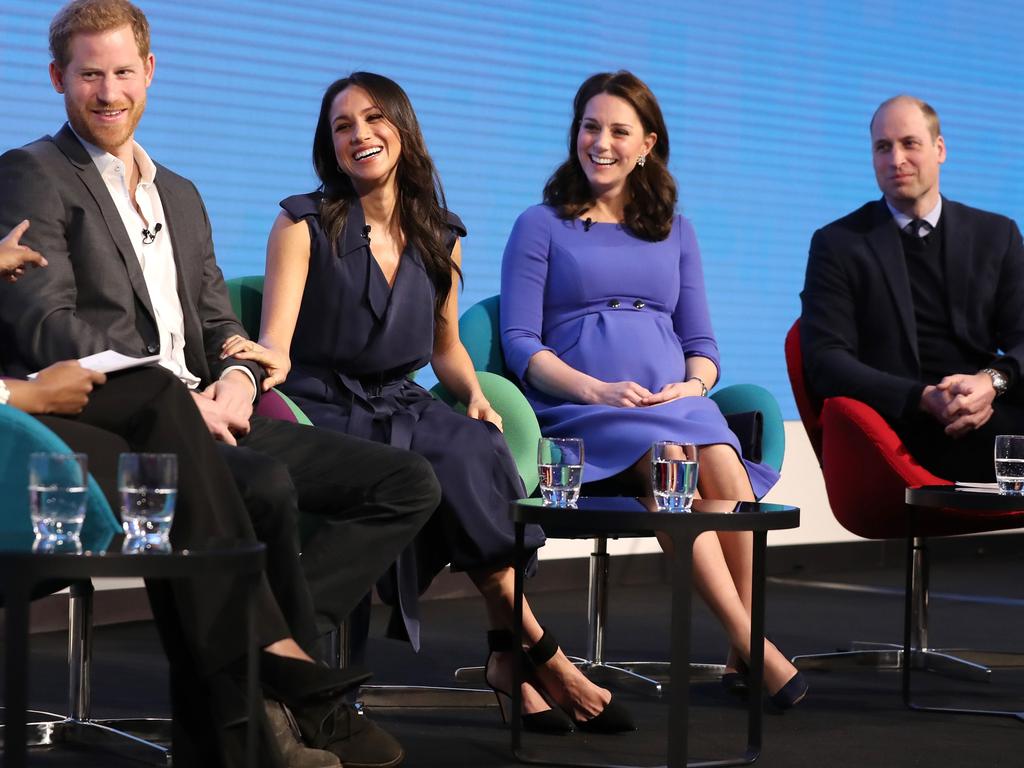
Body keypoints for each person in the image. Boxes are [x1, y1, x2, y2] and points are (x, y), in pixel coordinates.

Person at [0, 4, 441, 767]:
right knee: (262, 485)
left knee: (406, 482)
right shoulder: (33, 174)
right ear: (57, 80)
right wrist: (173, 393)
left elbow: (216, 326)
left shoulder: (181, 193)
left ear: (151, 71)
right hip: (117, 419)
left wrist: (237, 376)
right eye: (90, 75)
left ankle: (273, 664)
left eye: (123, 72)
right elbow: (50, 328)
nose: (109, 92)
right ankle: (281, 699)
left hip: (210, 410)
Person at [221, 71, 633, 734]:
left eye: (373, 118)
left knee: (478, 445)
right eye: (342, 126)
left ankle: (511, 656)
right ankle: (542, 655)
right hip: (324, 406)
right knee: (452, 468)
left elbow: (446, 349)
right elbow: (277, 345)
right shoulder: (301, 224)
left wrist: (473, 394)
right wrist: (246, 378)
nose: (359, 134)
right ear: (329, 146)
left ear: (402, 129)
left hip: (400, 399)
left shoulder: (441, 233)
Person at [500, 70, 806, 708]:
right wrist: (595, 389)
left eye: (618, 130)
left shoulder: (677, 231)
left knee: (721, 462)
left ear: (647, 144)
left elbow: (704, 347)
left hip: (671, 404)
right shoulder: (541, 224)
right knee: (676, 463)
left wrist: (690, 388)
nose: (600, 142)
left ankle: (737, 653)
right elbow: (522, 344)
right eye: (590, 127)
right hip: (582, 407)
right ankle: (755, 645)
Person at [800, 95, 1024, 481]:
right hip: (897, 428)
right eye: (882, 147)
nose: (896, 159)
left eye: (910, 143)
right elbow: (825, 361)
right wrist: (921, 398)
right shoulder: (839, 243)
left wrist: (991, 381)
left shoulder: (995, 234)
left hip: (992, 415)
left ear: (939, 149)